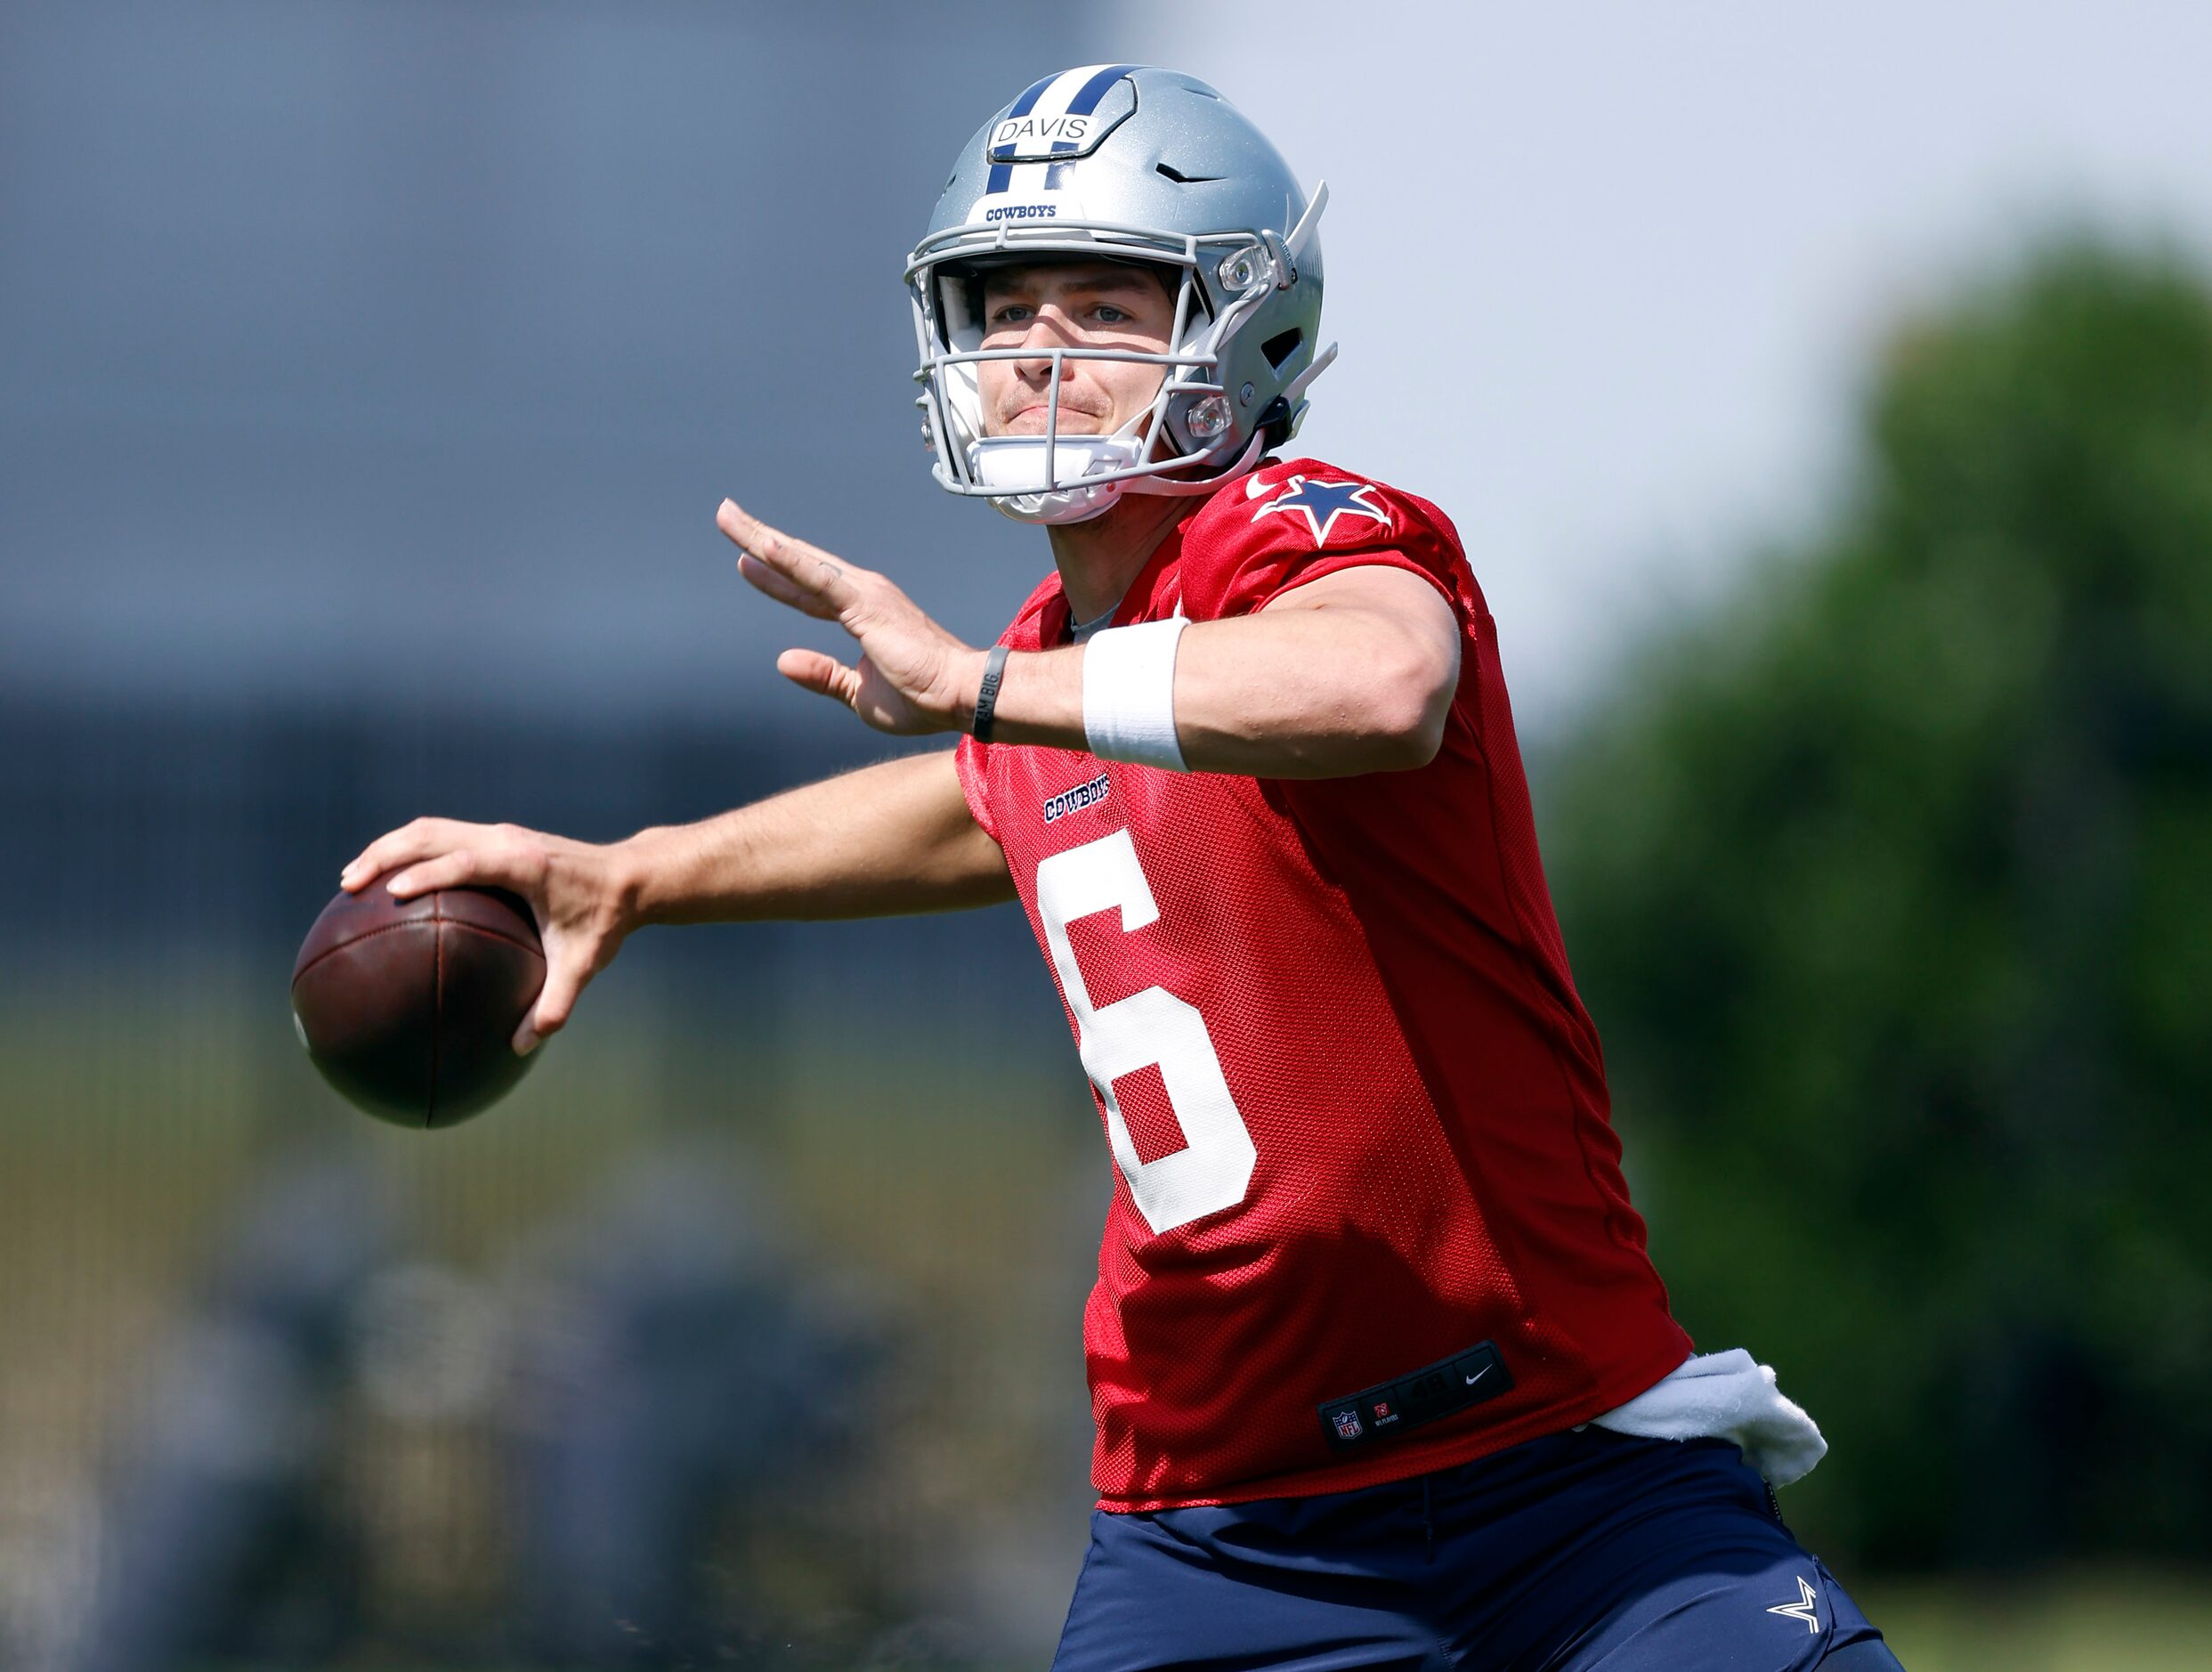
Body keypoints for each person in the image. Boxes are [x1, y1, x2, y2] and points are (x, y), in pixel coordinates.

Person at [343, 65, 1902, 1672]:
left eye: (1102, 304)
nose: (1036, 355)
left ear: (1245, 328)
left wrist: (987, 690)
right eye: (1004, 306)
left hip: (1568, 1476)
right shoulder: (1045, 677)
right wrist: (641, 871)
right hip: (1230, 1528)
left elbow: (1375, 686)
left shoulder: (1301, 531)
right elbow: (983, 799)